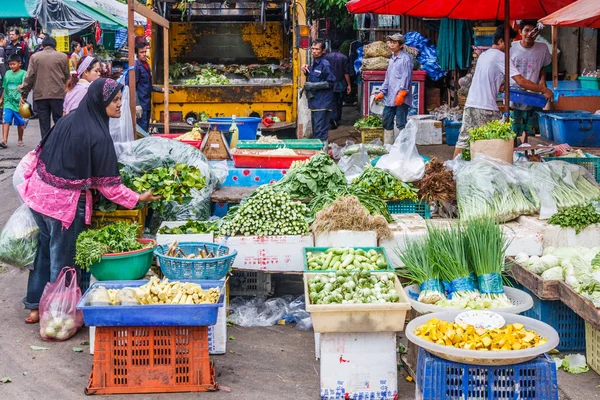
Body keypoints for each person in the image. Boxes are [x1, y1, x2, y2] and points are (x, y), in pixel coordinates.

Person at [17, 78, 160, 323]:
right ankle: (59, 315)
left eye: (120, 100)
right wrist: (139, 197)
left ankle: (34, 307)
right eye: (114, 100)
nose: (119, 105)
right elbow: (109, 186)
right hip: (65, 207)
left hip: (39, 197)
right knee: (64, 260)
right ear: (99, 100)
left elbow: (40, 151)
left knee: (44, 254)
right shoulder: (98, 135)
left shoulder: (69, 119)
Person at [452, 25, 553, 158]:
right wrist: (544, 89)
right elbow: (521, 81)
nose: (511, 46)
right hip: (486, 109)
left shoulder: (484, 55)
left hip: (471, 105)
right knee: (500, 142)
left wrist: (500, 85)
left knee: (464, 140)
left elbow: (488, 78)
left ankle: (452, 169)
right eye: (509, 42)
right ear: (500, 41)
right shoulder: (501, 57)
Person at [20, 36, 71, 138]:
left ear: (42, 45)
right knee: (58, 121)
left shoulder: (35, 57)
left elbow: (29, 76)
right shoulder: (63, 57)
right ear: (55, 46)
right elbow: (67, 76)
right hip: (57, 95)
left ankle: (45, 146)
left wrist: (24, 93)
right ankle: (59, 143)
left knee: (44, 123)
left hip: (40, 95)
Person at [510, 20, 552, 144]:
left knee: (531, 130)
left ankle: (527, 154)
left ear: (537, 32)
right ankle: (513, 153)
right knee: (512, 131)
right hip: (515, 94)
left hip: (534, 94)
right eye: (526, 30)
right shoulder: (512, 48)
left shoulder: (542, 48)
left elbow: (543, 66)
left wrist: (542, 80)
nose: (530, 34)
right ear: (520, 32)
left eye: (533, 31)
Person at [372, 33, 413, 144]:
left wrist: (402, 92)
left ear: (401, 45)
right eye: (390, 42)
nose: (391, 45)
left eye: (394, 42)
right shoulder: (392, 59)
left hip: (401, 97)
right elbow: (388, 78)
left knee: (400, 123)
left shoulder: (405, 59)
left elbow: (406, 76)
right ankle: (389, 146)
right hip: (391, 97)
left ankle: (402, 147)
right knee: (386, 120)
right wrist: (382, 92)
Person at [301, 39, 335, 148]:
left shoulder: (325, 64)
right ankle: (318, 154)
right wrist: (306, 71)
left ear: (323, 51)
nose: (314, 51)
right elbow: (314, 78)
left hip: (323, 103)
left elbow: (330, 82)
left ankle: (322, 154)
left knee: (320, 132)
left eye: (317, 49)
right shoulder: (314, 64)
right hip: (315, 103)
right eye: (313, 49)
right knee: (316, 131)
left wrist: (312, 86)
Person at [323, 39, 351, 128]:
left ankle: (332, 118)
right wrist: (349, 84)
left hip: (328, 84)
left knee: (331, 102)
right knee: (339, 102)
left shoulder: (326, 57)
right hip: (340, 84)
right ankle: (336, 119)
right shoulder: (344, 57)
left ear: (330, 47)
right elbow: (346, 72)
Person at [0, 54, 27, 148]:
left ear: (19, 63)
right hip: (8, 102)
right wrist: (1, 98)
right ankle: (4, 141)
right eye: (10, 64)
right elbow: (4, 87)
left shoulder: (24, 73)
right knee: (5, 120)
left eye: (13, 64)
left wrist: (23, 96)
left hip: (19, 102)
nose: (11, 66)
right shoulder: (7, 73)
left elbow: (25, 86)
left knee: (20, 122)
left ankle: (20, 139)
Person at [0, 34, 7, 98]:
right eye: (5, 40)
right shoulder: (1, 50)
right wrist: (5, 76)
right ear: (2, 40)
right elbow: (2, 65)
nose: (6, 41)